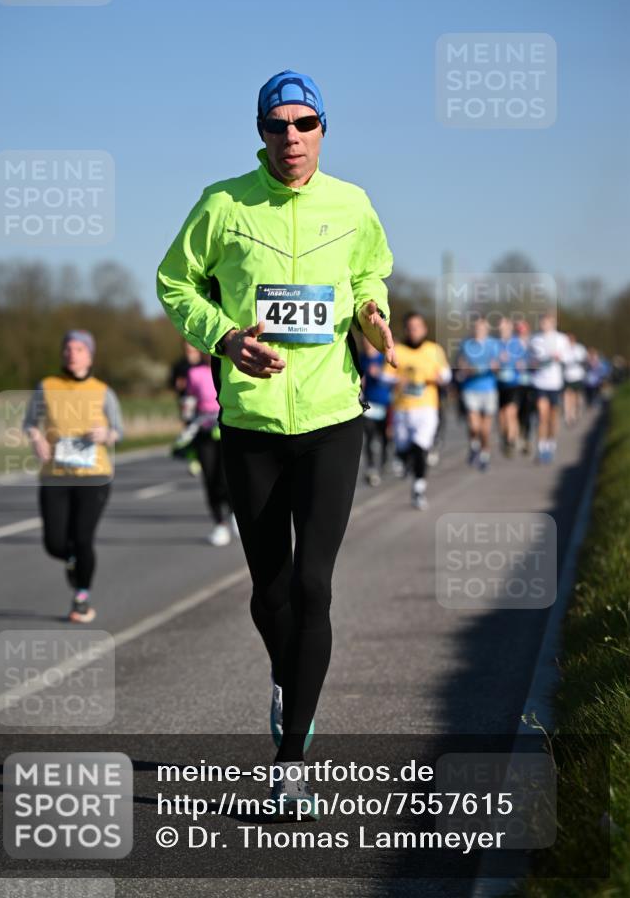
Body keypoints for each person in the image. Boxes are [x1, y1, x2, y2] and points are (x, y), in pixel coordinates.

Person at [156, 69, 395, 819]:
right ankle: (289, 679)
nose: (289, 138)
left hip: (330, 415)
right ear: (258, 133)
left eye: (303, 124)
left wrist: (372, 311)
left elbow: (369, 274)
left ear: (323, 128)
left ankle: (291, 760)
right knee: (269, 589)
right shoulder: (221, 203)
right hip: (251, 421)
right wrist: (226, 339)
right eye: (275, 126)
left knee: (314, 586)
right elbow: (173, 284)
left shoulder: (351, 203)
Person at [23, 330, 123, 623]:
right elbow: (30, 422)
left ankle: (82, 596)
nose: (71, 353)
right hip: (55, 475)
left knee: (82, 538)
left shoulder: (103, 391)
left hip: (94, 476)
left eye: (79, 348)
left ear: (89, 355)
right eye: (67, 348)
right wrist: (36, 439)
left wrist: (106, 434)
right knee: (54, 543)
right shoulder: (46, 386)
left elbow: (118, 430)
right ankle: (70, 561)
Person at [385, 311, 451, 509]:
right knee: (405, 448)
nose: (414, 331)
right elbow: (384, 376)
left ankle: (418, 488)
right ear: (406, 329)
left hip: (427, 408)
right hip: (402, 409)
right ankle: (403, 460)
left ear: (424, 329)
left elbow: (446, 374)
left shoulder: (434, 350)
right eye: (410, 327)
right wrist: (397, 379)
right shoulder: (398, 349)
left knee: (420, 447)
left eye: (417, 327)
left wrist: (441, 378)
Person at [174, 341, 236, 546]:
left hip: (228, 428)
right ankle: (219, 524)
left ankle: (235, 513)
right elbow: (189, 401)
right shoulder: (195, 373)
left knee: (227, 477)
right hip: (204, 431)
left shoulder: (232, 365)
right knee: (210, 479)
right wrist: (187, 420)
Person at [456, 315, 500, 471]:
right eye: (476, 326)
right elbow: (460, 364)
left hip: (488, 389)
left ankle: (484, 455)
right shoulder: (466, 344)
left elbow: (500, 365)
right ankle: (474, 446)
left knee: (485, 430)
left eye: (482, 327)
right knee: (474, 426)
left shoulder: (494, 344)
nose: (479, 329)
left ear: (487, 328)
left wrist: (496, 367)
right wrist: (467, 369)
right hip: (471, 388)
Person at [528, 311, 569, 463]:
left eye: (547, 322)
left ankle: (551, 444)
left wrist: (560, 357)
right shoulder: (534, 339)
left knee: (553, 418)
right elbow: (530, 361)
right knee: (542, 415)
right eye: (542, 322)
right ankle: (541, 448)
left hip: (555, 383)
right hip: (539, 383)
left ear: (553, 323)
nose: (544, 325)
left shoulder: (561, 339)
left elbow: (567, 358)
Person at [359, 335, 393, 486]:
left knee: (385, 437)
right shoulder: (360, 358)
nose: (366, 343)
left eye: (369, 340)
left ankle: (384, 461)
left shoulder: (384, 358)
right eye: (364, 340)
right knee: (370, 436)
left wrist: (379, 374)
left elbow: (394, 378)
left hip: (385, 403)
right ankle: (371, 468)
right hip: (368, 404)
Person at [496, 316, 526, 456]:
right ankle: (506, 437)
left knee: (510, 412)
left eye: (505, 326)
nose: (502, 328)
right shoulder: (495, 343)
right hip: (499, 384)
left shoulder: (516, 343)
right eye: (500, 326)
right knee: (502, 415)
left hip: (514, 383)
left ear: (510, 327)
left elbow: (524, 360)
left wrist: (516, 363)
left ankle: (512, 440)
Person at [170, 339, 201, 476]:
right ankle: (192, 458)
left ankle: (202, 456)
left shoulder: (204, 363)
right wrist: (178, 386)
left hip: (204, 403)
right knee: (190, 430)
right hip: (187, 402)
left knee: (203, 431)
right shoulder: (180, 366)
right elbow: (172, 383)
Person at [514, 319, 535, 455]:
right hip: (515, 382)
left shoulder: (533, 342)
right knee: (516, 411)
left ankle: (527, 438)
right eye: (519, 328)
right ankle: (518, 436)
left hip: (530, 382)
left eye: (524, 328)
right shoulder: (512, 343)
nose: (521, 330)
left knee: (528, 413)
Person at [562, 332, 587, 425]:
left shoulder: (580, 348)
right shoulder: (563, 349)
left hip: (578, 376)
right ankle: (569, 415)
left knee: (576, 396)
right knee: (567, 396)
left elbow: (584, 360)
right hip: (567, 376)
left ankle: (576, 410)